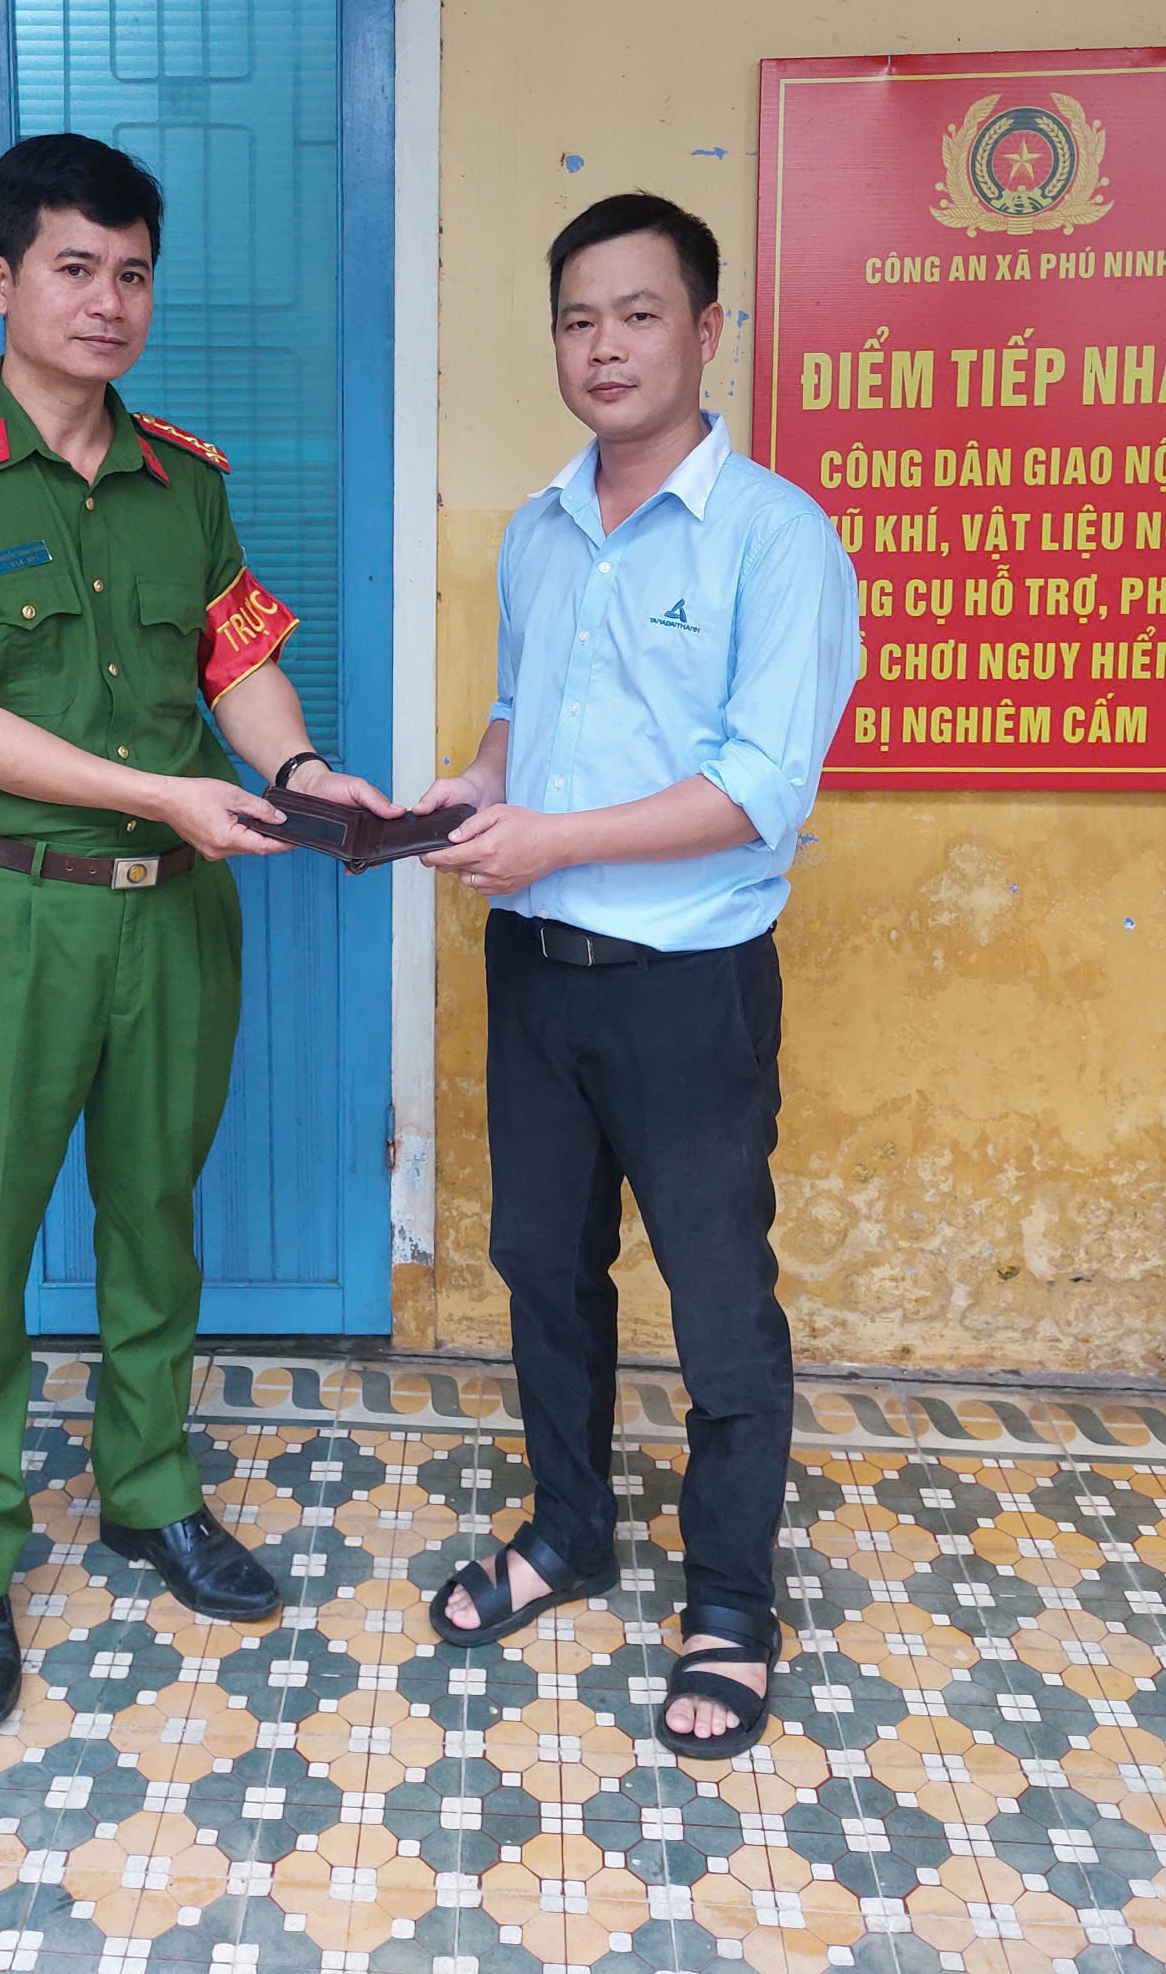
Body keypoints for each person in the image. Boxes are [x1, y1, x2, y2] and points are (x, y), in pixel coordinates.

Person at [0, 133, 396, 1731]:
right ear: (2, 280)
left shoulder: (183, 482)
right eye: (74, 268)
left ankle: (148, 1489)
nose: (107, 301)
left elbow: (236, 658)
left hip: (174, 925)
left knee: (155, 1221)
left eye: (132, 273)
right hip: (11, 916)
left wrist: (296, 770)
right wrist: (160, 794)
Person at [417, 190, 858, 1760]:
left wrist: (555, 838)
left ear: (707, 329)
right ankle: (568, 1529)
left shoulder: (780, 540)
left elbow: (759, 790)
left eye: (639, 313)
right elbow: (520, 713)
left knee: (719, 1297)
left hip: (688, 984)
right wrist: (478, 791)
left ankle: (730, 1602)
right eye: (577, 319)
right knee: (543, 1265)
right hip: (536, 969)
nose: (604, 347)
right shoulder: (538, 534)